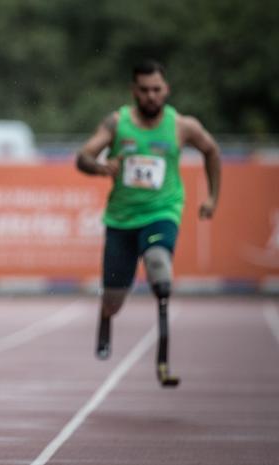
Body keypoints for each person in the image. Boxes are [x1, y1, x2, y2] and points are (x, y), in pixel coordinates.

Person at [75, 59, 221, 387]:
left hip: (162, 212)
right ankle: (105, 315)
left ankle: (163, 359)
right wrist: (101, 167)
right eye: (144, 90)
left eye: (157, 90)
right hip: (121, 220)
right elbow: (83, 157)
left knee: (158, 266)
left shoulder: (183, 126)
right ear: (134, 91)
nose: (151, 96)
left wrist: (212, 197)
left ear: (166, 89)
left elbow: (212, 151)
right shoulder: (117, 123)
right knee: (114, 300)